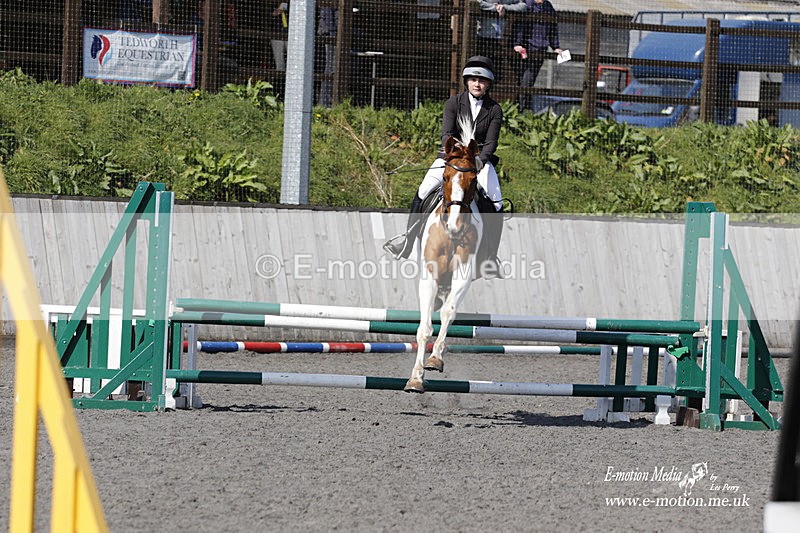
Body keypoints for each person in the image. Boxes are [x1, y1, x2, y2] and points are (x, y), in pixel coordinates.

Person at [384, 55, 505, 278]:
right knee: (423, 190)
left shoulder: (494, 110)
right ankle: (407, 240)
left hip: (479, 162)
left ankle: (490, 257)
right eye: (473, 80)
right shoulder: (453, 103)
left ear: (488, 84)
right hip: (451, 158)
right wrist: (459, 156)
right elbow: (447, 134)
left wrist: (478, 160)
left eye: (482, 81)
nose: (477, 84)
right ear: (466, 81)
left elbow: (491, 142)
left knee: (496, 203)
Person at [513, 0, 562, 111]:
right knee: (525, 81)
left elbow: (553, 27)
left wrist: (555, 47)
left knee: (530, 82)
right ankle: (520, 110)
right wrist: (518, 43)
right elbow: (519, 24)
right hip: (526, 49)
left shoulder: (548, 6)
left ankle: (524, 110)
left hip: (540, 50)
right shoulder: (527, 4)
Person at [475, 0, 527, 81]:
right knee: (482, 71)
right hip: (484, 38)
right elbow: (477, 2)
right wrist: (495, 7)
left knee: (496, 75)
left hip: (502, 40)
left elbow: (523, 6)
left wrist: (505, 7)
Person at [271, 1, 289, 72]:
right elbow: (269, 16)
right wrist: (278, 11)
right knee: (279, 61)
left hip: (290, 35)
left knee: (293, 58)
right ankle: (280, 79)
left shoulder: (294, 5)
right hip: (277, 35)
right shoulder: (272, 4)